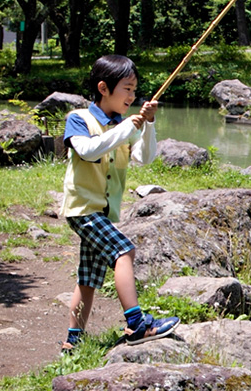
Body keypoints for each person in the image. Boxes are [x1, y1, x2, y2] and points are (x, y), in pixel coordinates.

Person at [59, 54, 180, 352]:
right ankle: (136, 323)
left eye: (135, 89)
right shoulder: (79, 119)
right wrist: (126, 128)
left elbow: (145, 157)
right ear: (104, 88)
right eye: (126, 88)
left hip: (101, 213)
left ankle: (72, 342)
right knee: (123, 250)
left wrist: (147, 125)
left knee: (88, 278)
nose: (132, 95)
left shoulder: (122, 125)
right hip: (82, 209)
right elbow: (87, 151)